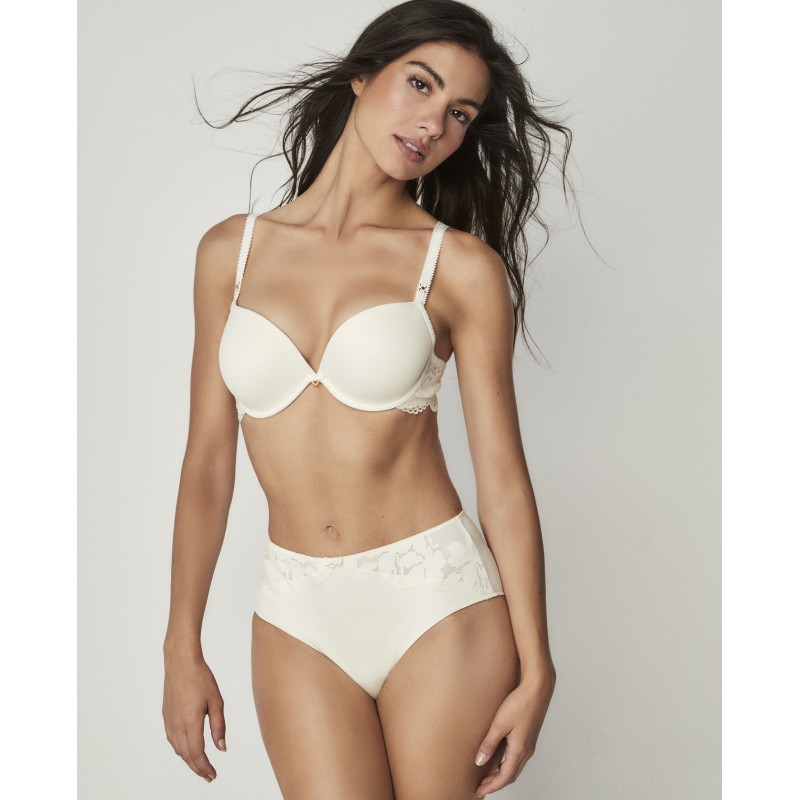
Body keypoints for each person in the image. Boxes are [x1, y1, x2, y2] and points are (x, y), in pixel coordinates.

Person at [162, 1, 573, 797]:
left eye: (460, 113)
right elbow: (207, 462)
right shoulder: (229, 253)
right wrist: (181, 643)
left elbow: (503, 479)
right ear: (362, 74)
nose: (433, 125)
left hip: (437, 601)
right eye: (420, 84)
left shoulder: (460, 269)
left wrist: (538, 666)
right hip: (296, 610)